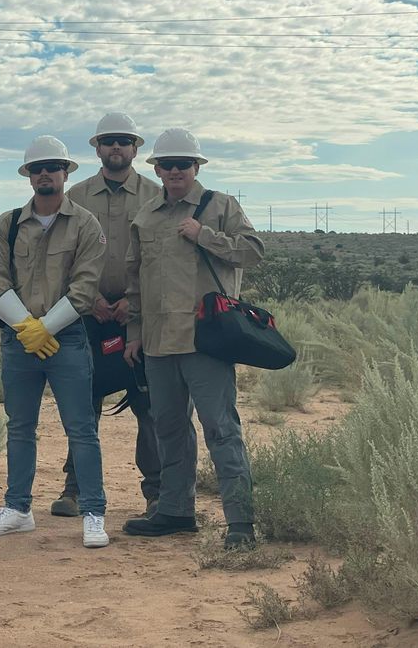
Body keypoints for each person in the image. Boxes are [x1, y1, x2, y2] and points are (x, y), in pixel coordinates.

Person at [122, 128, 264, 549]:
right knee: (168, 428)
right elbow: (135, 282)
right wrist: (133, 333)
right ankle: (175, 511)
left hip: (206, 341)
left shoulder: (221, 206)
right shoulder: (145, 216)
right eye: (166, 165)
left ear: (196, 166)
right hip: (159, 343)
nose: (174, 171)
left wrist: (205, 235)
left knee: (221, 428)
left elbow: (253, 250)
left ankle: (240, 522)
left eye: (182, 164)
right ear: (157, 169)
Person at [0, 135, 110, 548]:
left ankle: (93, 513)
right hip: (19, 340)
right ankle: (18, 509)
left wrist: (47, 329)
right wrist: (27, 329)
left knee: (81, 428)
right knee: (20, 427)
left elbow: (85, 287)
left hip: (67, 338)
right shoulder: (8, 224)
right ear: (28, 175)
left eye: (53, 167)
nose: (45, 174)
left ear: (66, 172)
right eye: (38, 168)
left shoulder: (86, 224)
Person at [53, 112, 161, 518]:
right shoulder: (75, 197)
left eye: (124, 141)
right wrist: (90, 297)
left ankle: (157, 493)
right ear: (96, 147)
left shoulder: (155, 195)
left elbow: (160, 258)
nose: (116, 147)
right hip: (86, 313)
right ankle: (74, 488)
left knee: (149, 406)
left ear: (136, 148)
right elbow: (60, 256)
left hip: (139, 316)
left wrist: (135, 301)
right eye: (109, 141)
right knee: (82, 401)